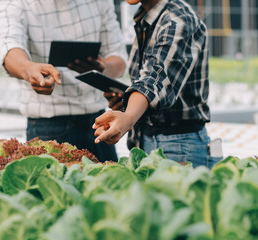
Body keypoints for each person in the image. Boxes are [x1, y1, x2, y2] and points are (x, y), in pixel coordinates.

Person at [0, 0, 128, 162]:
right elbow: (8, 47)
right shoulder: (12, 3)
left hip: (100, 122)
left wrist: (102, 69)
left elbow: (118, 56)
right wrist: (29, 70)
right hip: (48, 126)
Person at [93, 0, 222, 168]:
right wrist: (127, 103)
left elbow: (156, 77)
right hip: (153, 142)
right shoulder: (147, 16)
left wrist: (129, 116)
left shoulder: (178, 19)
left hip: (178, 147)